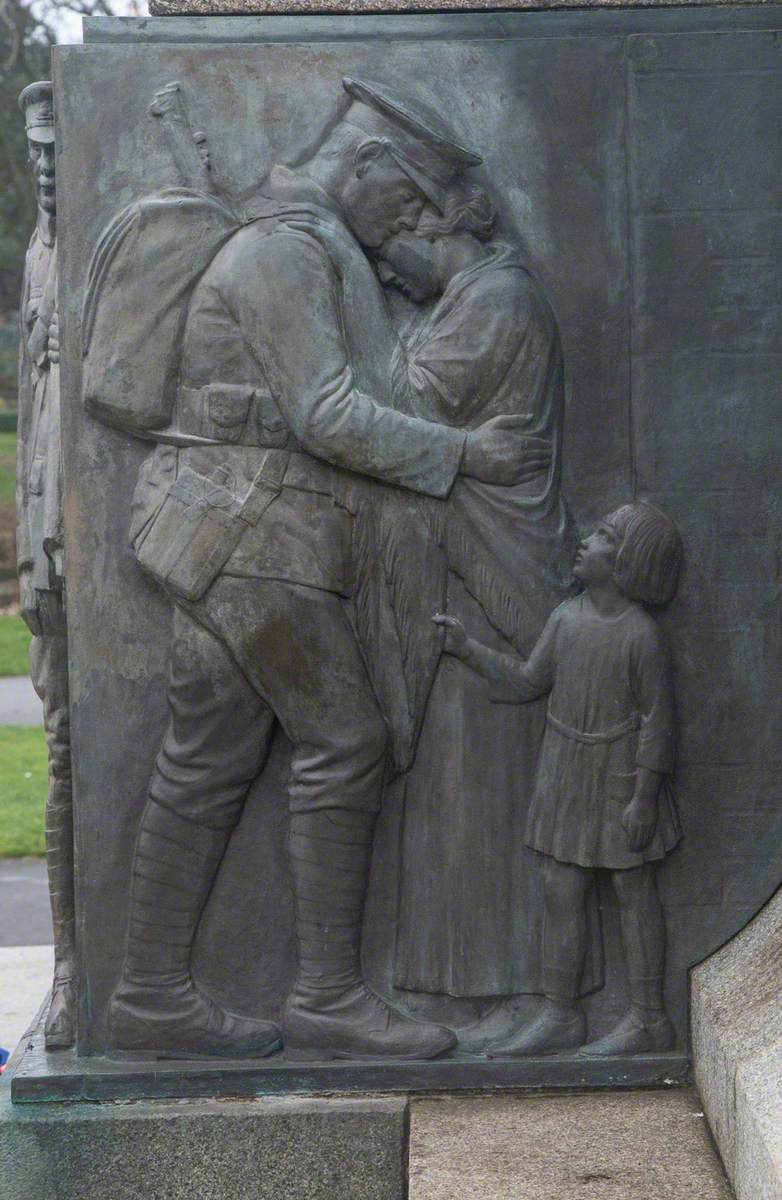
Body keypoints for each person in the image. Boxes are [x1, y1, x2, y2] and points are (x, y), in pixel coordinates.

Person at [91, 78, 553, 1061]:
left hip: (219, 530)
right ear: (366, 163)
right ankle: (328, 997)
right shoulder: (286, 252)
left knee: (205, 760)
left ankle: (148, 995)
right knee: (345, 741)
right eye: (407, 197)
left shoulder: (303, 240)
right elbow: (328, 415)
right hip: (253, 535)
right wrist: (467, 455)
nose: (413, 220)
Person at [287, 185, 579, 1043]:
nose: (384, 271)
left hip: (494, 580)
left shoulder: (495, 300)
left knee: (478, 783)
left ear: (433, 223)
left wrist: (338, 294)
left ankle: (516, 990)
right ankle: (464, 990)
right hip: (457, 573)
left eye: (387, 252)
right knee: (455, 786)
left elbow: (396, 402)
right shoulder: (476, 297)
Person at [433, 501, 683, 1056]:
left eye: (600, 536)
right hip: (567, 770)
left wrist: (644, 798)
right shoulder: (566, 618)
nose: (584, 541)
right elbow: (527, 680)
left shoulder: (641, 636)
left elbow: (658, 724)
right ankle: (561, 1013)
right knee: (561, 888)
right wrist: (466, 648)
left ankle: (647, 1017)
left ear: (626, 565)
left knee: (632, 888)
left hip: (620, 779)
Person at [16, 81, 75, 1049]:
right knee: (65, 749)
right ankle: (73, 964)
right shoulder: (37, 249)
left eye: (58, 148)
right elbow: (34, 408)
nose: (46, 168)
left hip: (109, 540)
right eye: (33, 154)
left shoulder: (114, 240)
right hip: (51, 540)